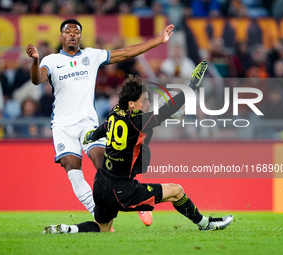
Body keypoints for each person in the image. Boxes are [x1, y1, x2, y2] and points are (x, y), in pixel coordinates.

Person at [43, 60, 234, 234]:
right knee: (177, 191)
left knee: (103, 228)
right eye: (144, 100)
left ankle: (68, 229)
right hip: (122, 190)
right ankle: (205, 224)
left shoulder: (116, 111)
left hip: (100, 185)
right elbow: (167, 109)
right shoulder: (138, 122)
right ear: (132, 104)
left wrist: (93, 135)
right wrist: (191, 86)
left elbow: (104, 127)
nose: (148, 103)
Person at [26, 19, 175, 226]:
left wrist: (158, 40)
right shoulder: (50, 61)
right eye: (67, 32)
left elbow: (125, 52)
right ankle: (99, 217)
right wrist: (35, 60)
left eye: (75, 32)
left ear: (80, 36)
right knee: (72, 168)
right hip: (62, 125)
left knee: (102, 161)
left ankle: (138, 201)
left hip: (87, 123)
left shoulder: (91, 56)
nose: (71, 35)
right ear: (61, 37)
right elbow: (36, 80)